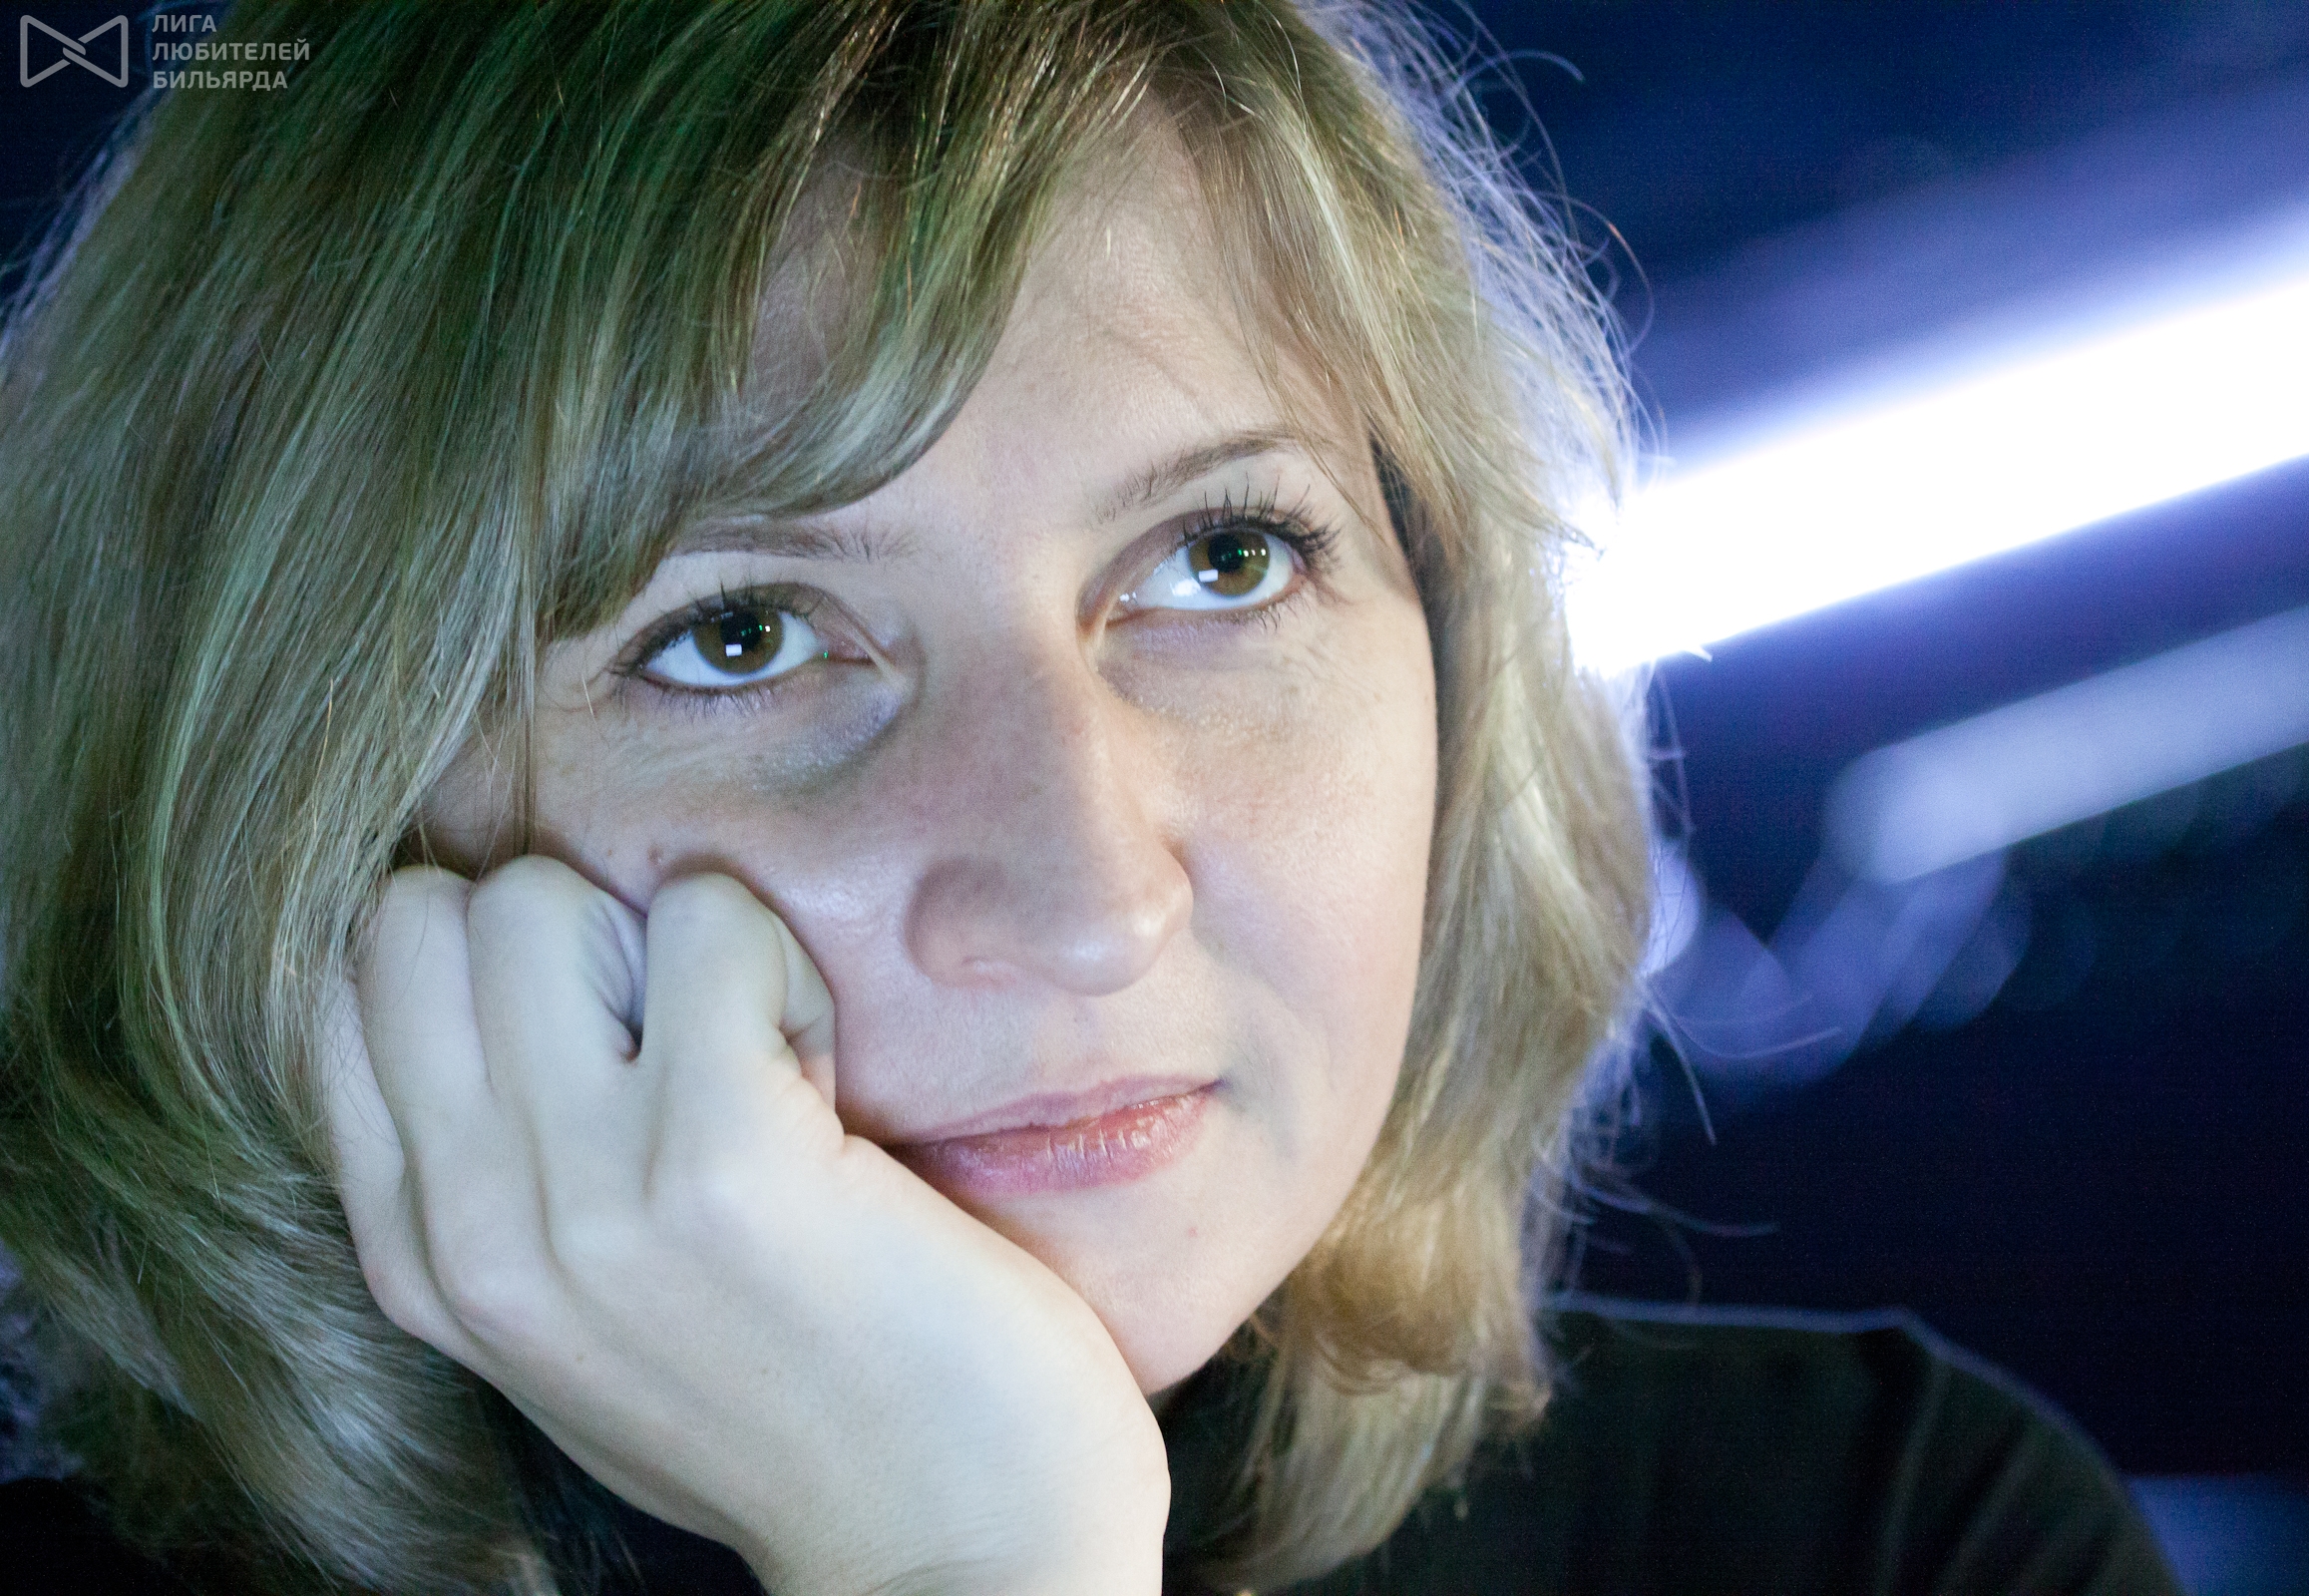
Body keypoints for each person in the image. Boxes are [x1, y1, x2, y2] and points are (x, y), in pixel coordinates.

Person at [0, 2, 2180, 1592]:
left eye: (1221, 560)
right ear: (285, 811)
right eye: (740, 635)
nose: (1092, 894)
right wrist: (964, 1552)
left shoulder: (1882, 1536)